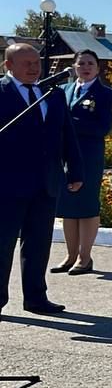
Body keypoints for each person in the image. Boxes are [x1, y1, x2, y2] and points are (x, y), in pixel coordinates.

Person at [0, 43, 83, 319]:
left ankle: (36, 297)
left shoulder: (53, 94)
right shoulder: (1, 92)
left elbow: (67, 134)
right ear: (8, 65)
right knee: (2, 244)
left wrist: (75, 172)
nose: (34, 68)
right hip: (7, 184)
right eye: (27, 63)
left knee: (38, 243)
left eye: (37, 63)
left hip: (46, 182)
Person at [52, 50, 112, 276]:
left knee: (87, 206)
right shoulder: (63, 90)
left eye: (90, 64)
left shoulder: (105, 94)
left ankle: (85, 257)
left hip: (88, 156)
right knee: (68, 208)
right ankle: (70, 256)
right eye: (81, 64)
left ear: (98, 68)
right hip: (64, 156)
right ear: (74, 67)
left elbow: (103, 127)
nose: (86, 67)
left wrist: (70, 125)